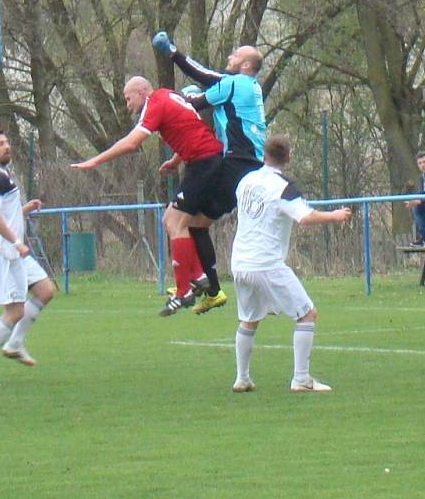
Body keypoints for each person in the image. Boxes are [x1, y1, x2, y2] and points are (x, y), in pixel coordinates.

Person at [72, 76, 224, 316]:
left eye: (128, 98)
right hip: (205, 160)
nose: (127, 104)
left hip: (204, 163)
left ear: (142, 92)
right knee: (169, 220)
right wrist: (175, 160)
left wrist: (96, 160)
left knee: (176, 223)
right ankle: (198, 276)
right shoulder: (168, 96)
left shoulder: (154, 102)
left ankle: (184, 290)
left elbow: (132, 142)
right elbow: (189, 128)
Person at [153, 31, 266, 315]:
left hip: (236, 163)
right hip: (246, 163)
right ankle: (208, 286)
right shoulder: (245, 87)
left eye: (236, 55)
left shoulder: (237, 83)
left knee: (182, 220)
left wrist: (173, 54)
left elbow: (198, 93)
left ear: (246, 66)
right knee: (195, 223)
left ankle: (199, 284)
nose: (230, 57)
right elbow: (208, 93)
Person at [229, 135, 351, 393]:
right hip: (266, 262)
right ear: (289, 158)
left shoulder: (246, 181)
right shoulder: (283, 186)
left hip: (240, 261)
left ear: (264, 155)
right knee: (307, 314)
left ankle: (242, 378)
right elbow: (305, 217)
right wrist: (336, 215)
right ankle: (301, 379)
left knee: (249, 319)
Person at [0, 130, 55, 387]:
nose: (6, 147)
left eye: (7, 142)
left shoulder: (2, 175)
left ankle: (15, 343)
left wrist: (23, 211)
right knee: (15, 311)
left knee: (45, 289)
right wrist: (17, 242)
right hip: (4, 252)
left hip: (14, 251)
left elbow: (3, 213)